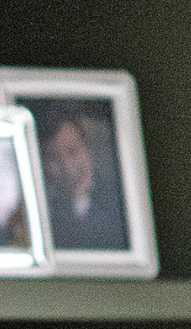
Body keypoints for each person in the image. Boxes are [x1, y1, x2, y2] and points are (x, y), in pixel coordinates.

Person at [32, 98, 131, 252]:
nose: (69, 170)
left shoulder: (121, 201)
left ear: (87, 148)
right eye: (53, 159)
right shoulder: (39, 220)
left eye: (73, 151)